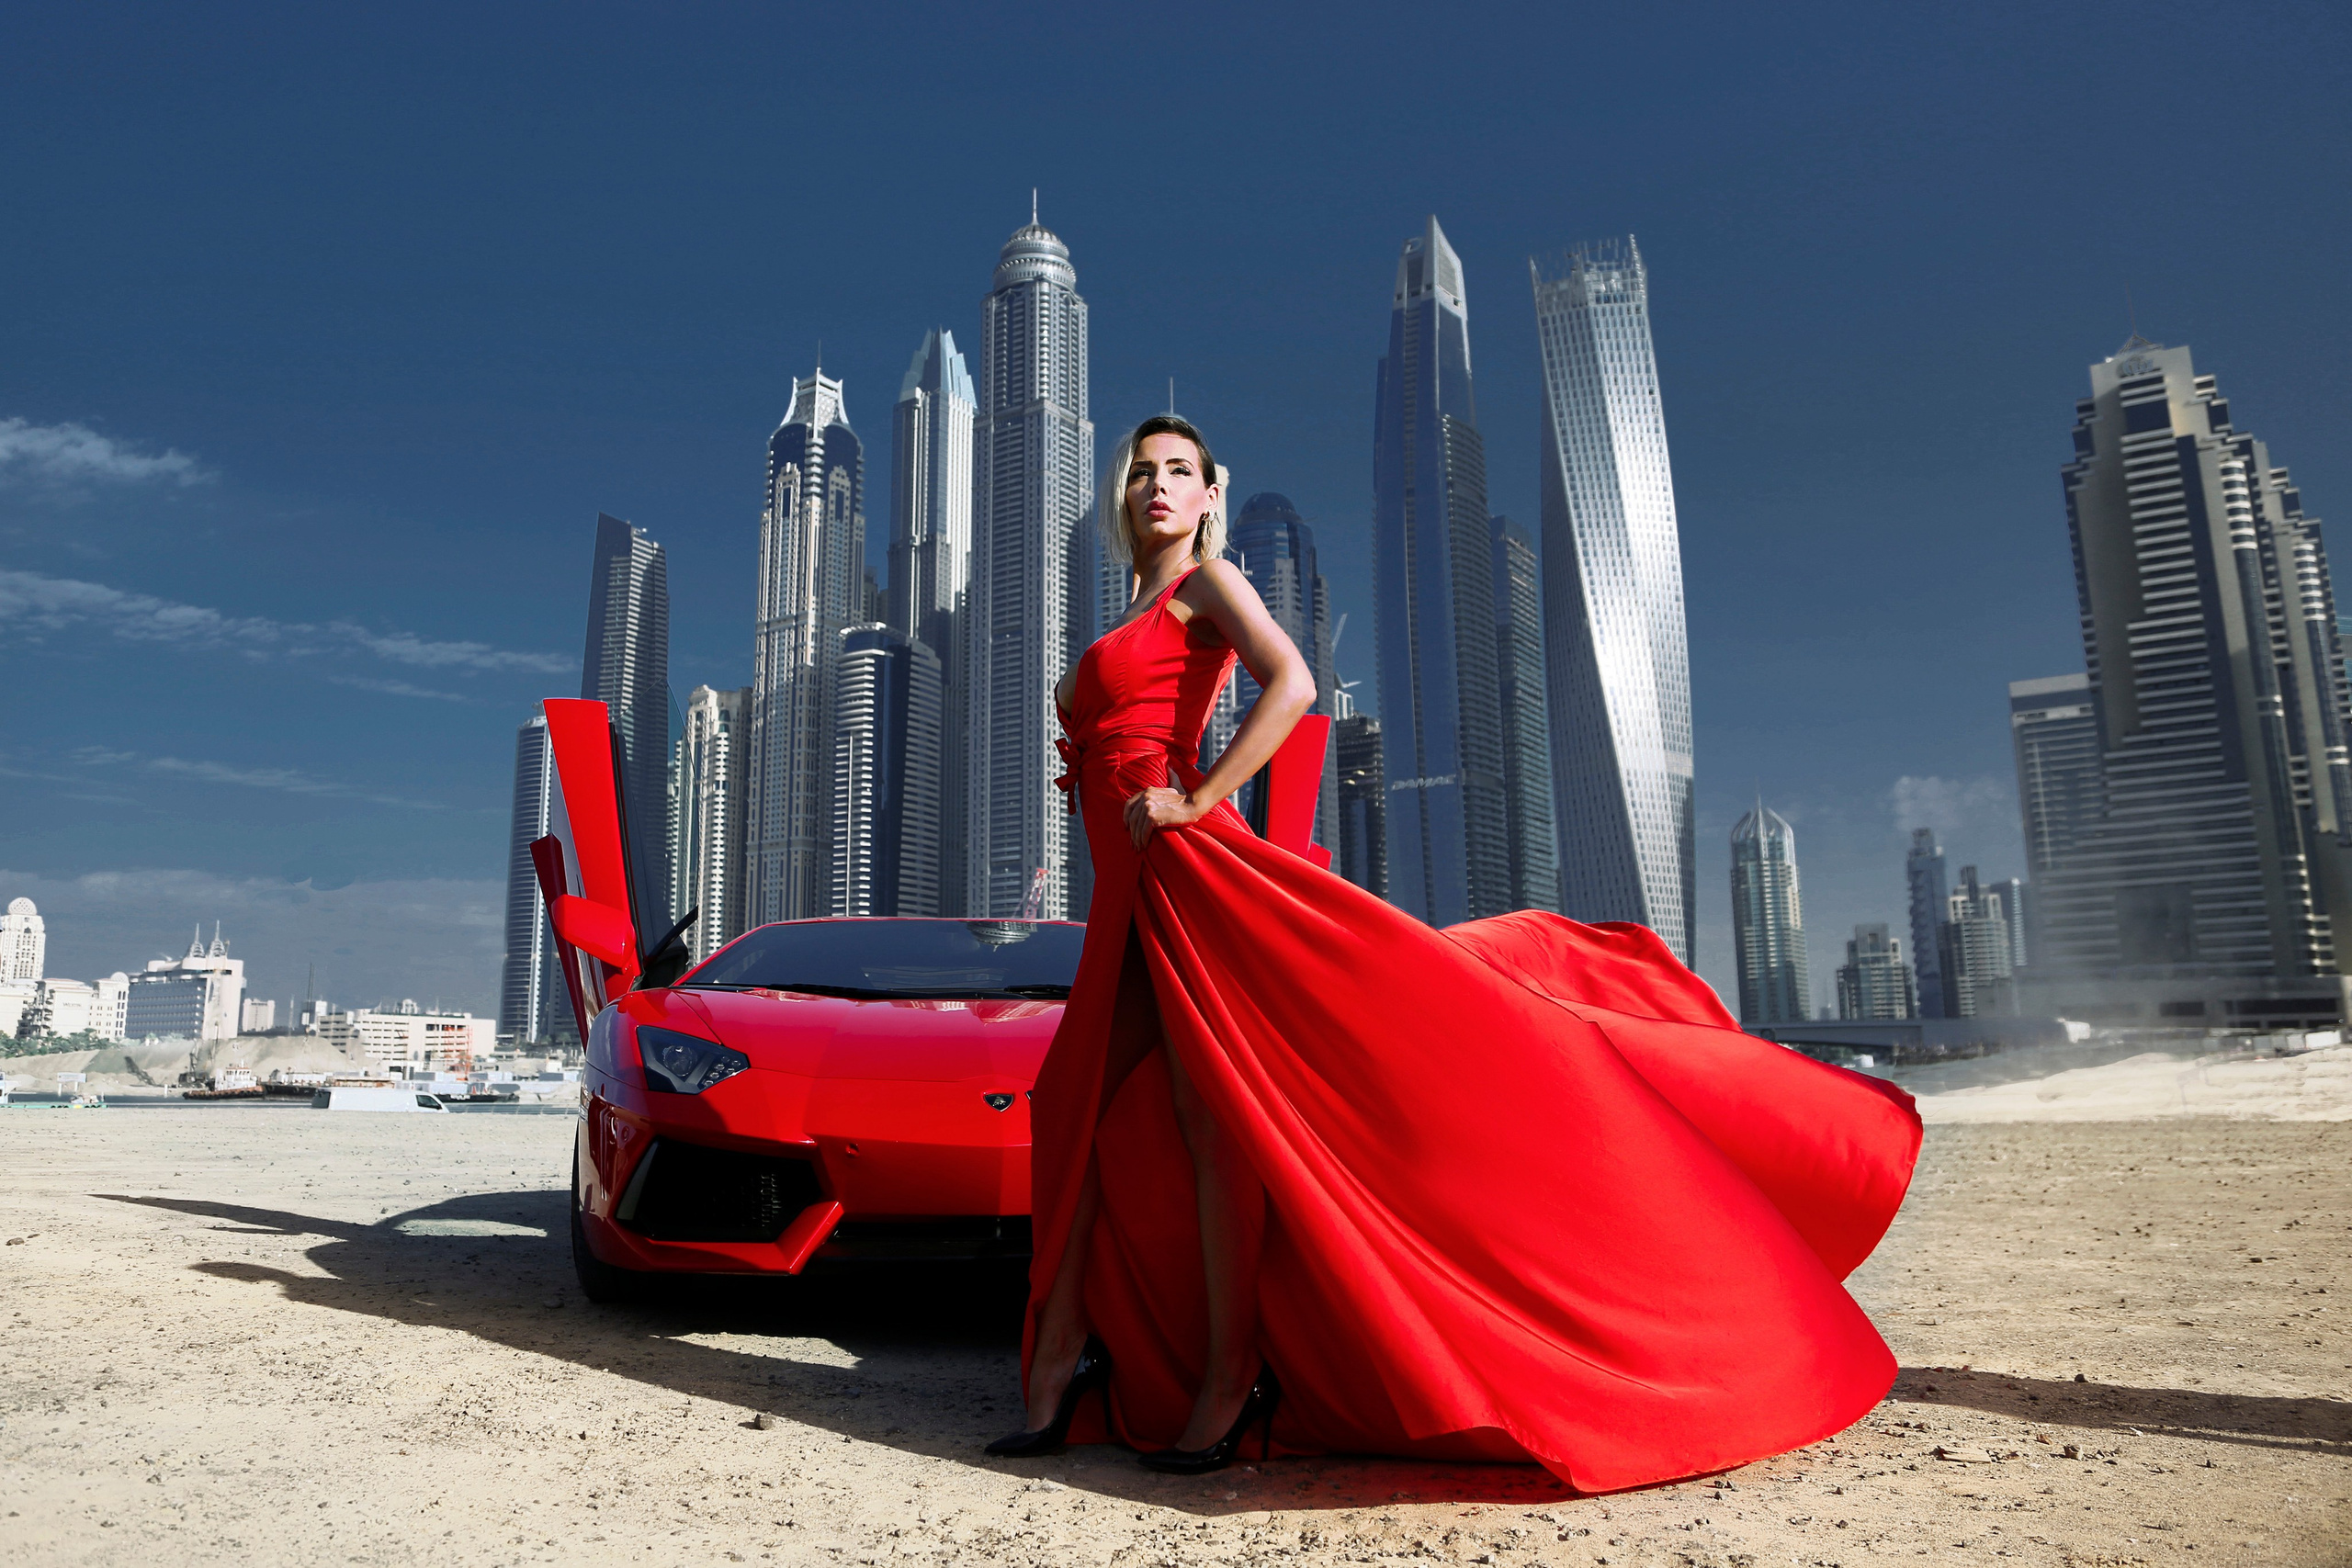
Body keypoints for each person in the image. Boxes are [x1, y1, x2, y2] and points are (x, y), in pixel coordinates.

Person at [985, 414, 1923, 1488]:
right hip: (1128, 894)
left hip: (1189, 872)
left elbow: (1289, 684)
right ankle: (1067, 1358)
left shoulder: (1211, 584)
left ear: (1208, 497)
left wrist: (1199, 799)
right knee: (1087, 1108)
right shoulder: (1133, 607)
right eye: (1143, 472)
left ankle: (1220, 1377)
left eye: (1181, 474)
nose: (1158, 486)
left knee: (1213, 1124)